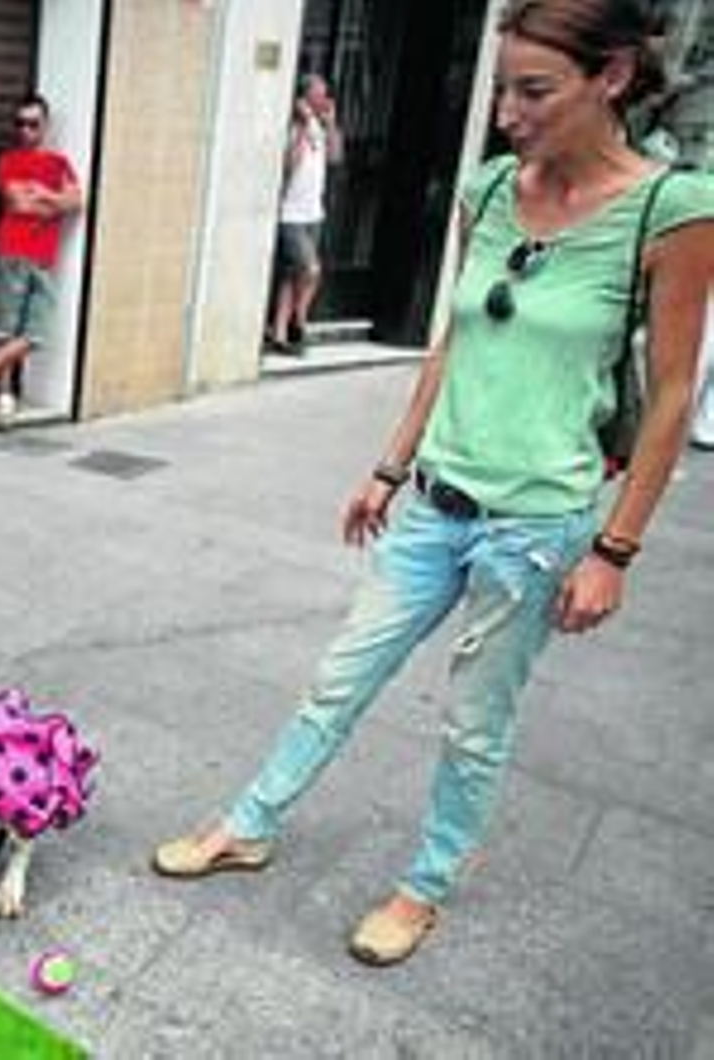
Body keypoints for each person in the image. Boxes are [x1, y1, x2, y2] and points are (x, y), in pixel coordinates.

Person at [154, 0, 712, 967]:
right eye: (502, 89)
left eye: (534, 90)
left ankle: (426, 887)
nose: (507, 113)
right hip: (436, 502)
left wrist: (615, 549)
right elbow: (453, 341)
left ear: (613, 77)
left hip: (538, 525)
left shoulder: (674, 211)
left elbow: (670, 396)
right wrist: (390, 465)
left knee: (473, 725)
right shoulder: (488, 189)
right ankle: (249, 825)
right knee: (339, 678)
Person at [0, 93, 82, 424]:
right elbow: (20, 204)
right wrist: (53, 200)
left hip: (43, 259)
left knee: (37, 333)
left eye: (33, 124)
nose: (25, 130)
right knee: (6, 330)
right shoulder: (7, 161)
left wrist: (46, 196)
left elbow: (76, 202)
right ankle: (4, 396)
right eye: (20, 124)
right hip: (10, 252)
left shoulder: (59, 163)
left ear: (45, 125)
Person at [265, 73, 343, 356]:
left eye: (324, 94)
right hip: (291, 215)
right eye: (318, 94)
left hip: (314, 214)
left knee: (291, 275)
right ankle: (299, 320)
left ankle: (279, 333)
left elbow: (335, 157)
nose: (323, 99)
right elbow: (290, 165)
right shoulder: (293, 127)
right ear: (304, 97)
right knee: (311, 270)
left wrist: (330, 124)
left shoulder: (321, 128)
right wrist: (302, 125)